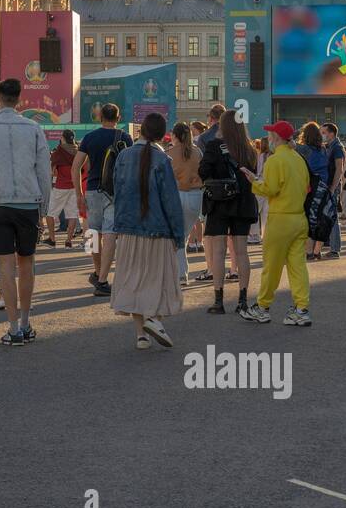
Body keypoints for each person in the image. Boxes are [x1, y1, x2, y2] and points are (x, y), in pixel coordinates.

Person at [0, 78, 51, 346]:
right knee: (26, 263)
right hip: (28, 202)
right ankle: (27, 322)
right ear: (19, 98)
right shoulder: (34, 128)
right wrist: (44, 208)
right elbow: (43, 170)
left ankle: (14, 327)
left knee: (5, 264)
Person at [110, 112, 184, 349]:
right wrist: (178, 235)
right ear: (163, 135)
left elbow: (117, 192)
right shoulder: (162, 160)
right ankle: (154, 320)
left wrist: (119, 226)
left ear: (140, 130)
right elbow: (171, 201)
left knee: (134, 280)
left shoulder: (123, 156)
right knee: (157, 280)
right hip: (158, 230)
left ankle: (141, 335)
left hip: (129, 229)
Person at [239, 121, 312, 325]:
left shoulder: (275, 160)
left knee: (272, 266)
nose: (268, 138)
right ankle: (301, 309)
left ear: (277, 138)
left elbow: (269, 189)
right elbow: (306, 187)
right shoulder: (298, 159)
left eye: (270, 135)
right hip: (299, 218)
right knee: (298, 267)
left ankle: (262, 307)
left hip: (280, 219)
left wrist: (253, 180)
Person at [199, 110, 258, 316]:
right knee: (241, 251)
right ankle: (243, 300)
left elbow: (203, 172)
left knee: (218, 251)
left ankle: (219, 300)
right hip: (243, 203)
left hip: (220, 202)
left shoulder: (215, 146)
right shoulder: (250, 149)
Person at [73, 103, 132, 296]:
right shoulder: (124, 138)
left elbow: (76, 168)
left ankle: (98, 273)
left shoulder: (90, 137)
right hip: (115, 192)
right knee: (110, 236)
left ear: (100, 117)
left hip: (92, 190)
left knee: (93, 234)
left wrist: (78, 194)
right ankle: (102, 279)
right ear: (118, 117)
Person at [166, 122, 203, 283]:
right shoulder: (197, 152)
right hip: (196, 196)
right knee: (184, 235)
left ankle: (181, 273)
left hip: (177, 195)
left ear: (175, 136)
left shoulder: (169, 153)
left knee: (177, 237)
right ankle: (180, 272)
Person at [296, 122, 331, 261]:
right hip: (323, 186)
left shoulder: (304, 149)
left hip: (312, 186)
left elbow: (290, 145)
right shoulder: (323, 149)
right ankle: (317, 250)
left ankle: (309, 251)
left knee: (309, 219)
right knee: (319, 217)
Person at [46, 129, 81, 249]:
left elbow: (54, 171)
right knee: (72, 215)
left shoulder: (59, 152)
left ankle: (52, 239)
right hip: (74, 185)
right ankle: (68, 241)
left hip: (61, 186)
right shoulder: (78, 151)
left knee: (50, 213)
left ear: (63, 138)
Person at [320, 122, 346, 257]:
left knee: (332, 217)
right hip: (328, 186)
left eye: (323, 132)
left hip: (332, 186)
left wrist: (333, 188)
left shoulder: (337, 148)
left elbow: (339, 169)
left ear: (331, 133)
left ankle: (335, 248)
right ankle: (329, 242)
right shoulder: (329, 146)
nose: (321, 135)